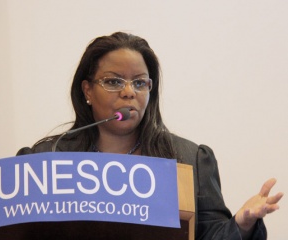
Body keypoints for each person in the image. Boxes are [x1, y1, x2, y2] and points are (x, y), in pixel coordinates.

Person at [17, 32, 283, 239]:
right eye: (113, 81)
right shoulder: (47, 160)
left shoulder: (189, 160)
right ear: (87, 90)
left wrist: (242, 224)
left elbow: (208, 236)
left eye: (140, 83)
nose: (129, 92)